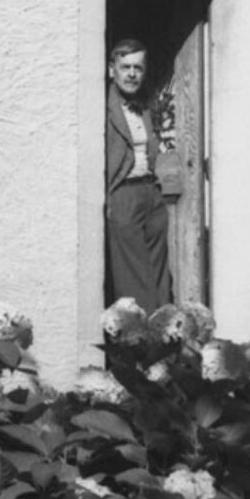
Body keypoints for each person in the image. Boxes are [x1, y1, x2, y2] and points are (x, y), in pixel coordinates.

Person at [104, 37, 173, 312]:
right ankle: (140, 345)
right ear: (112, 69)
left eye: (138, 68)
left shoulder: (144, 106)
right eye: (126, 67)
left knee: (158, 275)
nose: (132, 74)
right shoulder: (102, 106)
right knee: (132, 280)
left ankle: (163, 337)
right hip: (124, 193)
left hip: (151, 194)